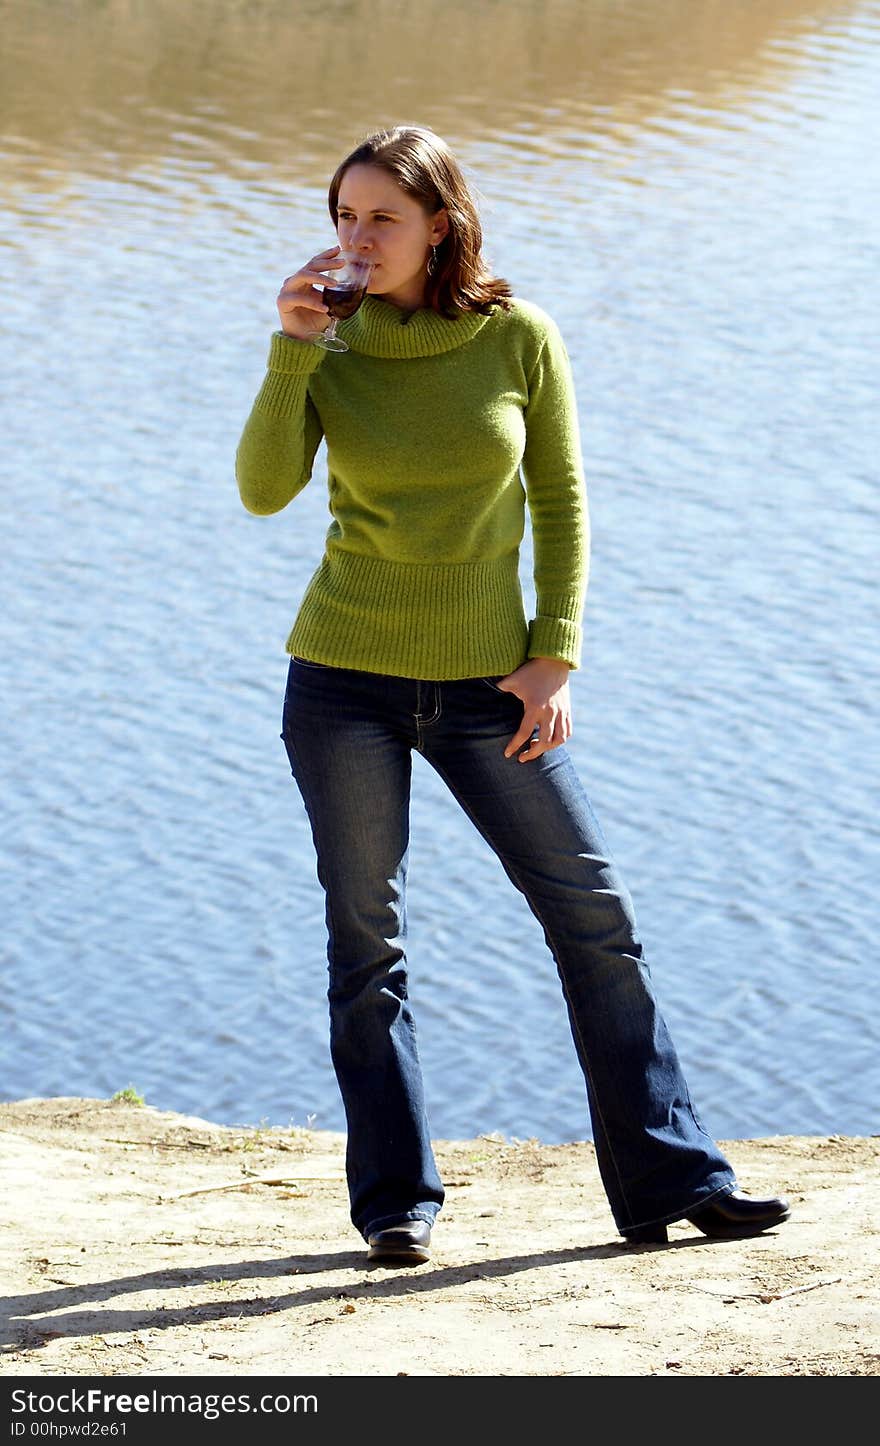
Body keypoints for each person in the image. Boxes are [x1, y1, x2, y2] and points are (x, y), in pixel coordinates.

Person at [235, 124, 790, 1265]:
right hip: (344, 681)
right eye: (342, 216)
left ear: (440, 224)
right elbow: (261, 493)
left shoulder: (516, 337)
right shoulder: (328, 344)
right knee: (366, 944)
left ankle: (675, 1181)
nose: (354, 239)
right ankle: (395, 1204)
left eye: (380, 217)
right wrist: (290, 348)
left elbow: (563, 500)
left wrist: (557, 654)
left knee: (597, 924)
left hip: (496, 684)